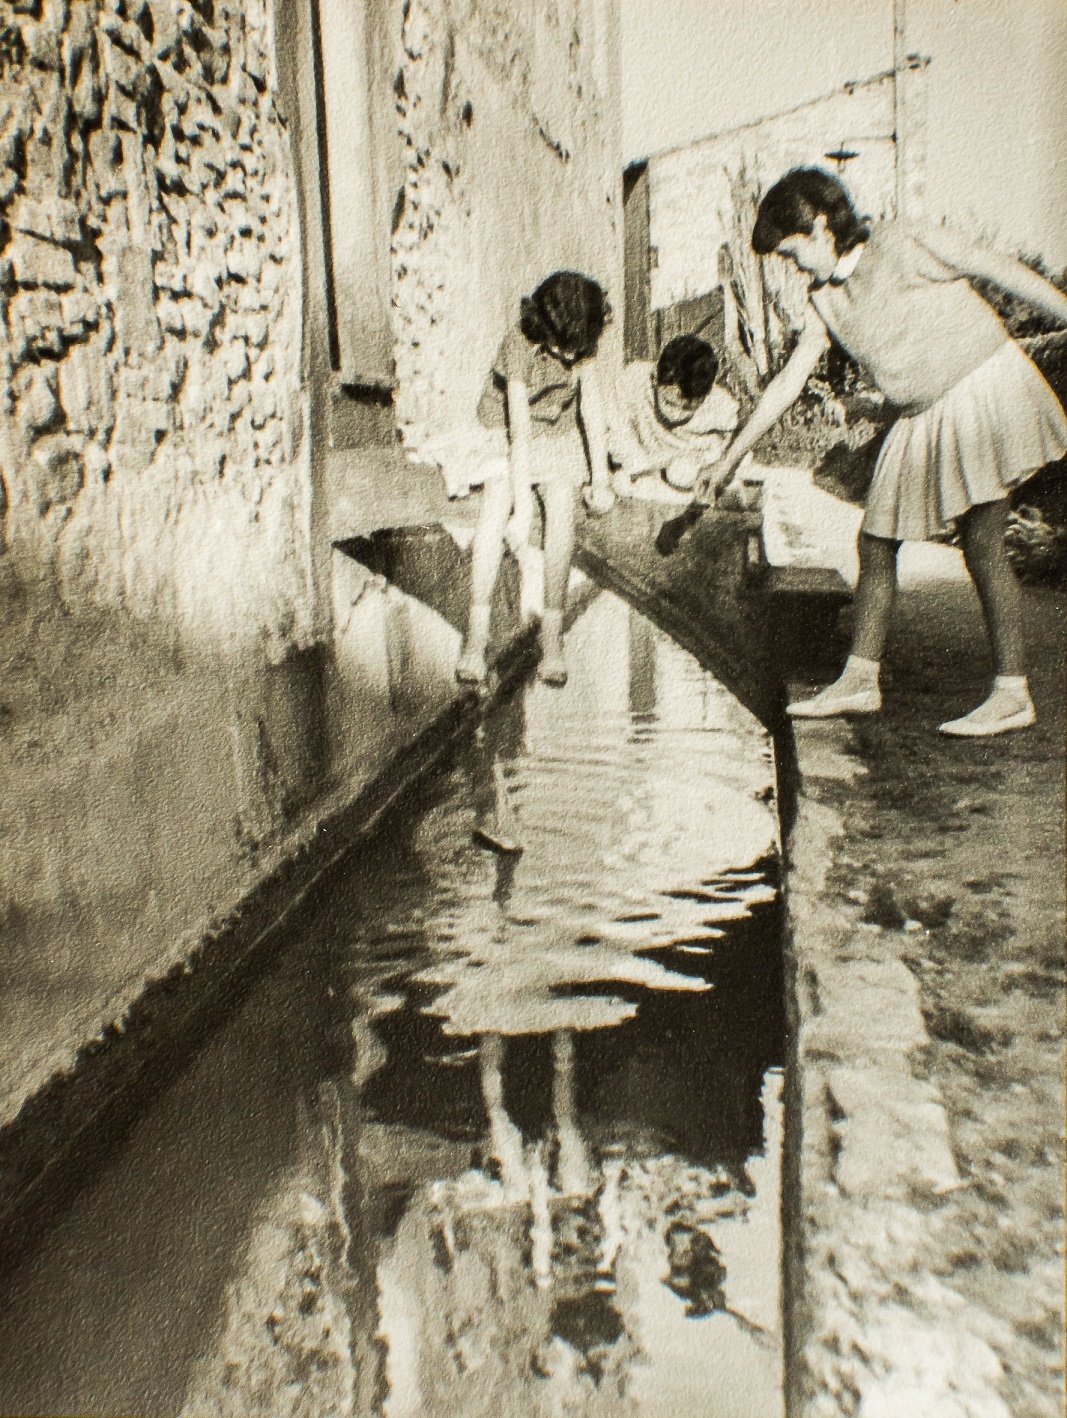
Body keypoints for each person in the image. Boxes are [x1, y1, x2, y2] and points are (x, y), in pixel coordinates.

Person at [701, 167, 1067, 736]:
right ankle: (859, 681)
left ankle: (1011, 692)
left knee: (982, 539)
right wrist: (728, 459)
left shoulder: (902, 239)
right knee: (875, 542)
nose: (792, 265)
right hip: (920, 414)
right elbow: (787, 384)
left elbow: (999, 268)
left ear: (821, 225)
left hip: (979, 387)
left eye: (793, 250)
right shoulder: (825, 299)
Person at [455, 270, 615, 688]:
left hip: (555, 433)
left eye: (575, 350)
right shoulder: (519, 343)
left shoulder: (583, 347)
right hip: (506, 430)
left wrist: (601, 478)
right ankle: (476, 634)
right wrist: (523, 508)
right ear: (543, 325)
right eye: (561, 347)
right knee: (496, 504)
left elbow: (591, 411)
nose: (567, 358)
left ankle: (552, 636)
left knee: (562, 509)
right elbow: (519, 431)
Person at [608, 334, 740, 497]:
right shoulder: (634, 381)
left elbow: (732, 444)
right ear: (655, 378)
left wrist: (711, 464)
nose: (675, 414)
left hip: (685, 467)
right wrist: (631, 465)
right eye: (669, 403)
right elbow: (618, 429)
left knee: (681, 474)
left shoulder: (720, 407)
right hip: (642, 463)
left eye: (688, 408)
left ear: (707, 395)